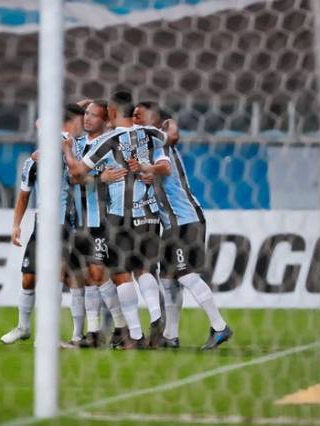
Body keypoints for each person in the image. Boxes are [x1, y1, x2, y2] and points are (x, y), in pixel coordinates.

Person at [62, 91, 170, 349]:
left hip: (121, 215)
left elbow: (77, 171)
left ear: (111, 112)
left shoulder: (109, 141)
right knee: (143, 269)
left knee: (121, 274)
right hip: (150, 213)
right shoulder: (151, 133)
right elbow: (168, 136)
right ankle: (156, 315)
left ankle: (134, 334)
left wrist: (66, 149)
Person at [132, 101, 233, 350]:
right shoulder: (146, 145)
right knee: (168, 279)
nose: (134, 118)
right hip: (170, 224)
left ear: (153, 121)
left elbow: (164, 167)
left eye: (139, 115)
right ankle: (170, 336)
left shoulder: (159, 143)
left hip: (185, 219)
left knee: (186, 275)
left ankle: (220, 326)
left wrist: (148, 169)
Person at [0, 104, 86, 345]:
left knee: (63, 277)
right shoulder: (36, 159)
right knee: (29, 276)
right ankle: (23, 327)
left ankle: (65, 335)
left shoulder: (77, 146)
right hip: (42, 223)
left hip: (65, 223)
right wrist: (16, 224)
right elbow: (24, 194)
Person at [68, 99, 131, 348]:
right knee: (87, 277)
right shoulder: (78, 144)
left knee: (99, 274)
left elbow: (82, 177)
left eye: (94, 115)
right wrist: (98, 177)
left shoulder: (110, 144)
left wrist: (93, 178)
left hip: (102, 220)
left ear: (105, 121)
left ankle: (121, 327)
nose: (87, 118)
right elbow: (72, 179)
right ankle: (94, 333)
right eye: (86, 114)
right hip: (79, 221)